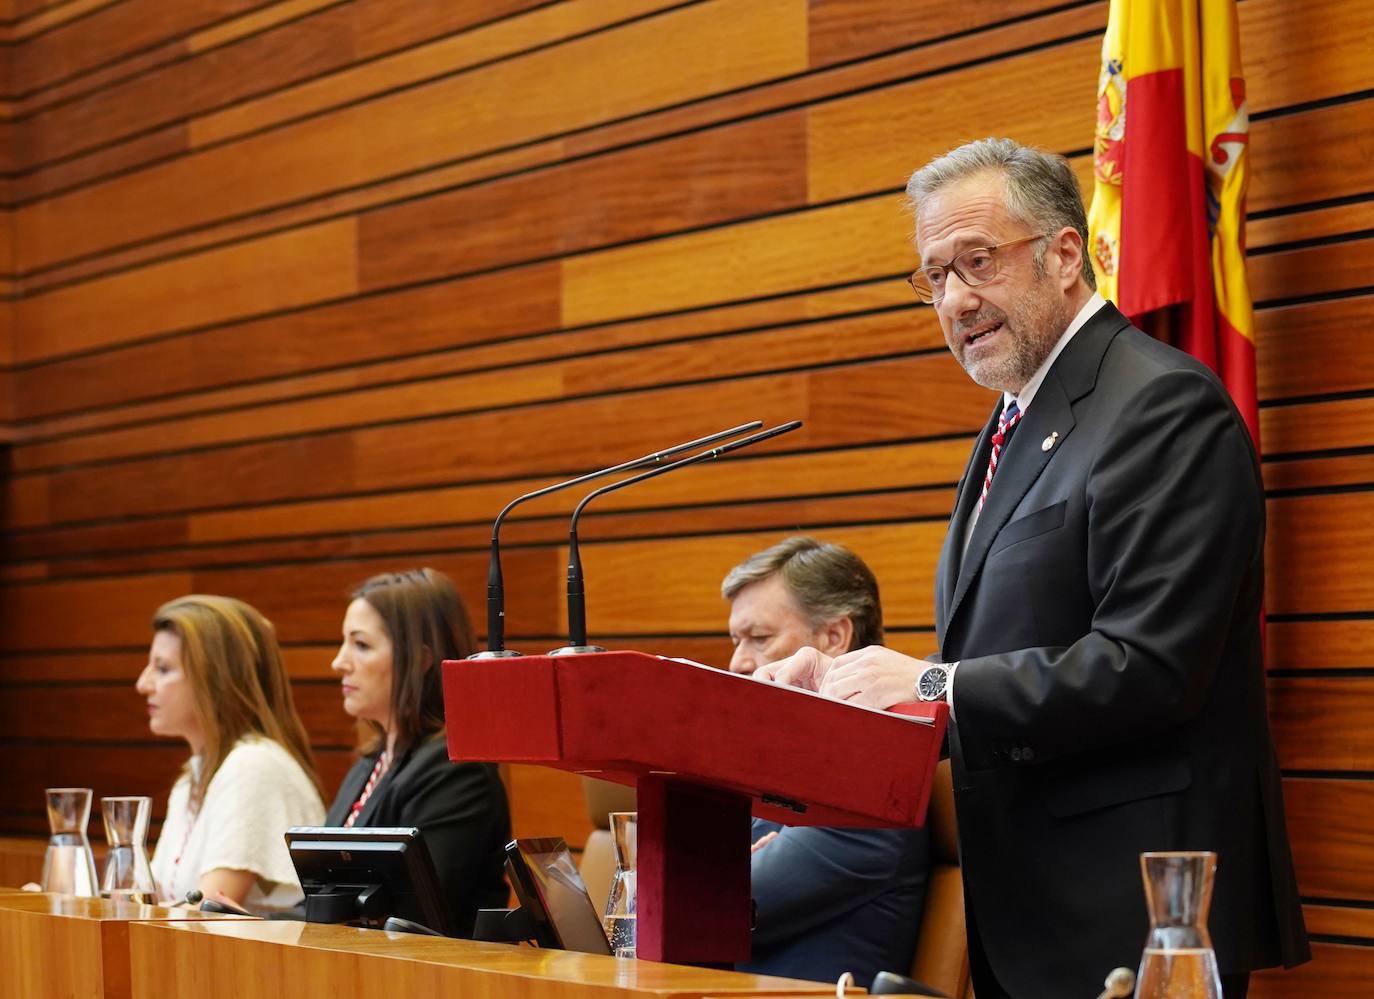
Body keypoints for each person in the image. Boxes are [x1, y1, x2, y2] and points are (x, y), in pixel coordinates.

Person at [758, 138, 1309, 998]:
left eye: (977, 262)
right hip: (1030, 912)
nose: (955, 298)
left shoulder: (1160, 404)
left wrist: (933, 687)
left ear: (1062, 253)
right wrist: (842, 677)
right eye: (934, 276)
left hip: (1136, 920)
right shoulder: (1018, 417)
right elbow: (1008, 640)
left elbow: (1152, 666)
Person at [724, 536, 929, 989]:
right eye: (736, 640)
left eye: (759, 638)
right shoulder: (767, 762)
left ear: (834, 637)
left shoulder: (877, 777)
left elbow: (707, 905)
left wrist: (715, 865)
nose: (738, 661)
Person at [326, 567, 510, 937]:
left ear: (422, 659)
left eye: (360, 645)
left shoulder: (456, 770)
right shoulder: (370, 763)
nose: (339, 662)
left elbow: (410, 914)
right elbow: (325, 894)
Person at [138, 595, 325, 913]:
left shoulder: (252, 765)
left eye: (163, 669)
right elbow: (151, 901)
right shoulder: (193, 776)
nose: (143, 683)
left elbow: (204, 913)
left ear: (214, 679)